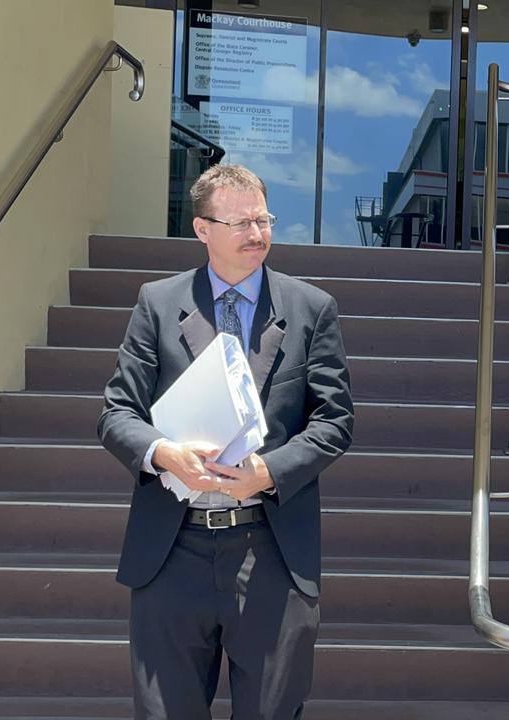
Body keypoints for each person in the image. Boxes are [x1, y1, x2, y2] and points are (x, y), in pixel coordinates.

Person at [98, 164, 354, 719]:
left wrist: (270, 472)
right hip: (172, 551)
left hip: (269, 550)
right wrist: (163, 453)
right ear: (201, 229)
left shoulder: (311, 309)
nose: (256, 234)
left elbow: (334, 422)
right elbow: (118, 413)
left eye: (263, 219)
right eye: (239, 222)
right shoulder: (158, 303)